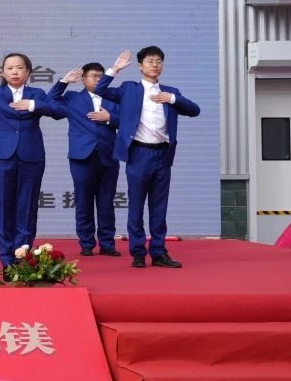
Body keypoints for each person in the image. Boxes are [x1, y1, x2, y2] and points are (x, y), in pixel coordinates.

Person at [95, 47, 201, 268]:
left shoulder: (170, 92)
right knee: (136, 205)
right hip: (139, 153)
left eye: (159, 61)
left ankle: (159, 252)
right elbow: (100, 89)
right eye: (150, 61)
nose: (155, 65)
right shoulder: (129, 89)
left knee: (159, 206)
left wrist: (172, 99)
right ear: (140, 66)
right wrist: (115, 69)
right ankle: (138, 252)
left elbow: (194, 110)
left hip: (163, 154)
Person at [0, 53, 66, 266]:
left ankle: (23, 256)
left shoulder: (37, 94)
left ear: (28, 72)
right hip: (1, 155)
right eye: (9, 68)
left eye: (19, 67)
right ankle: (7, 259)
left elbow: (60, 111)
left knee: (27, 207)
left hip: (31, 155)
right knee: (4, 206)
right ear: (3, 72)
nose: (15, 71)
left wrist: (33, 105)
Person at [47, 63, 122, 257]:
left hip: (108, 155)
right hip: (82, 156)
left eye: (101, 76)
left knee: (106, 202)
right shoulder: (73, 98)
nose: (98, 79)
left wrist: (109, 118)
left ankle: (107, 243)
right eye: (94, 76)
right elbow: (50, 101)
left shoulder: (113, 97)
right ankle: (87, 243)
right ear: (83, 79)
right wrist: (64, 81)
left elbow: (128, 121)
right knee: (83, 201)